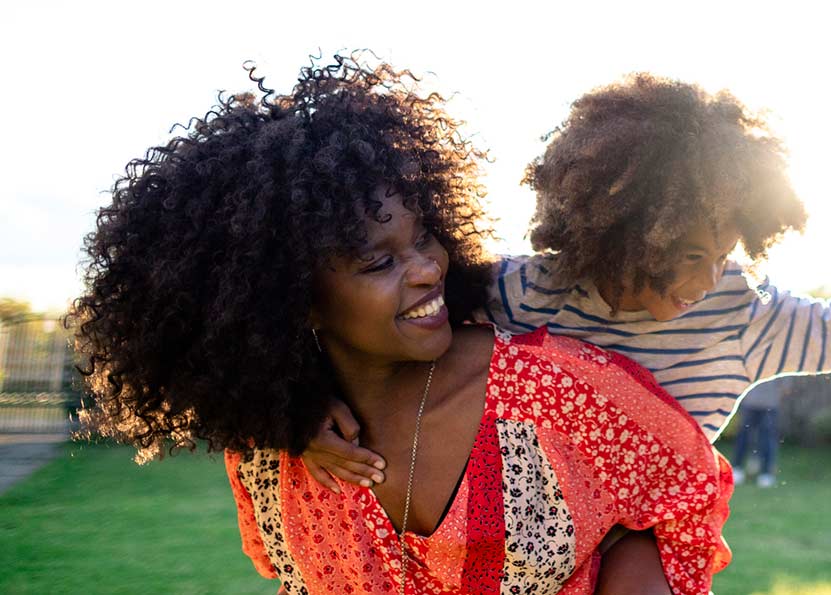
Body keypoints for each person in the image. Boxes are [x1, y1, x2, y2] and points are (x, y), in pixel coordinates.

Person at [71, 56, 731, 595]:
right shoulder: (273, 442)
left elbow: (689, 488)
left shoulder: (554, 390)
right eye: (379, 260)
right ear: (289, 297)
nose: (426, 269)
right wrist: (285, 421)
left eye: (425, 238)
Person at [304, 72, 831, 482]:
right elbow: (377, 329)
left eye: (722, 253)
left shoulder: (737, 313)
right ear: (614, 233)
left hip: (654, 551)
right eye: (686, 254)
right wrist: (296, 405)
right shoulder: (523, 294)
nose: (706, 277)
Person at [729, 377, 790, 487]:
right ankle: (737, 468)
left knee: (767, 439)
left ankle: (766, 473)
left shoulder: (778, 361)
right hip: (750, 404)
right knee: (743, 437)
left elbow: (785, 386)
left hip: (770, 405)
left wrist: (775, 398)